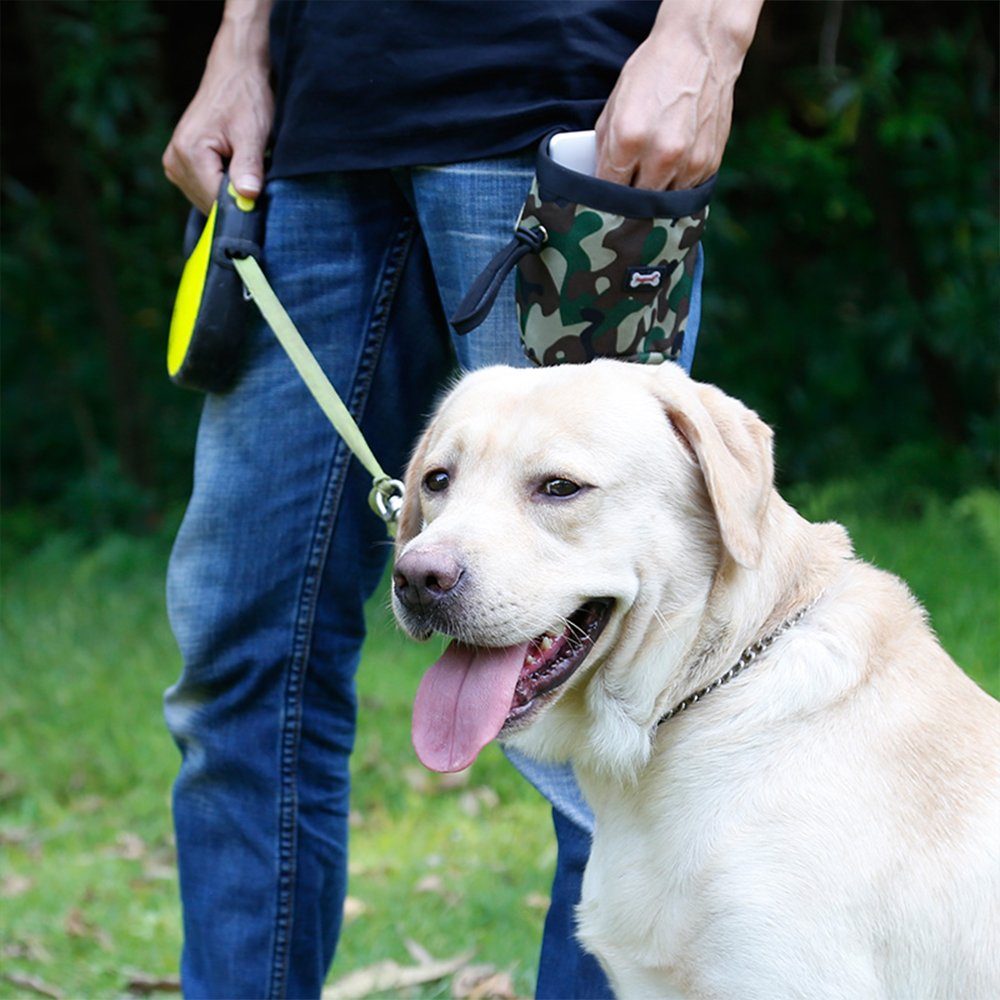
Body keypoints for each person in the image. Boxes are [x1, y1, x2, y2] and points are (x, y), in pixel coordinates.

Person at [162, 1, 762, 997]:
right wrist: (237, 43)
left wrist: (705, 35)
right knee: (242, 660)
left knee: (620, 678)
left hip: (565, 113)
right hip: (308, 131)